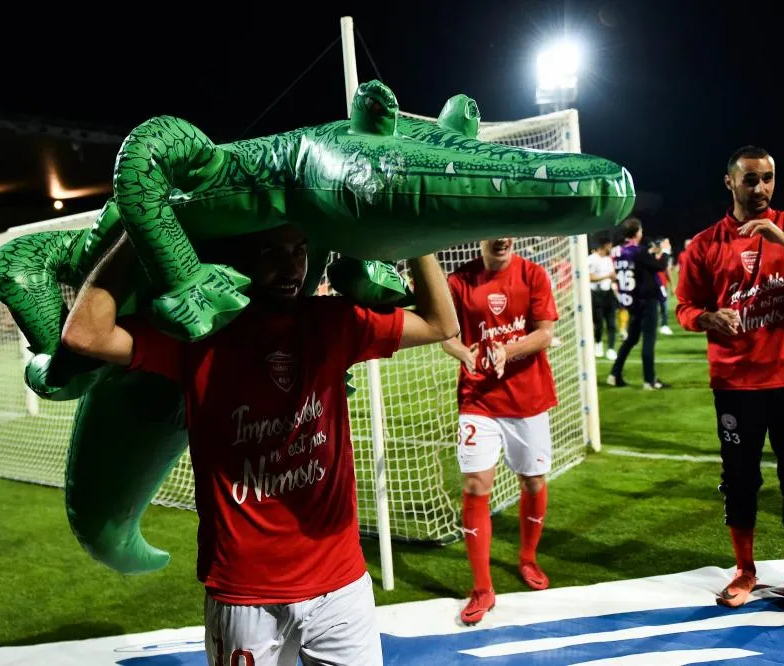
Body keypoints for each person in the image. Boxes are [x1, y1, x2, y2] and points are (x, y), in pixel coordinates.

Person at [61, 224, 459, 665]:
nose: (291, 267)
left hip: (339, 586)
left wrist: (416, 235)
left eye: (300, 250)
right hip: (244, 591)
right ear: (241, 258)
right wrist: (136, 228)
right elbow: (85, 336)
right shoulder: (199, 336)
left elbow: (442, 323)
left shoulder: (332, 322)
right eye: (272, 251)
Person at [676, 145, 784, 620]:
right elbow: (684, 308)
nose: (760, 189)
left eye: (767, 178)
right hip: (735, 383)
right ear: (729, 182)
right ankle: (745, 570)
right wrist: (708, 317)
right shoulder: (705, 244)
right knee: (741, 482)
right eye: (750, 180)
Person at [440, 237, 558, 626]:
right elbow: (444, 331)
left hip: (529, 398)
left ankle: (527, 559)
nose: (503, 237)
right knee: (475, 485)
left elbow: (544, 334)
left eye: (509, 230)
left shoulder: (533, 274)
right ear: (481, 235)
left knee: (534, 482)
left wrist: (508, 350)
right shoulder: (459, 281)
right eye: (495, 230)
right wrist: (464, 353)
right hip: (479, 399)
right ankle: (482, 588)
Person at [607, 219, 671, 389]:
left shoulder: (617, 251)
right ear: (637, 233)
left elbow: (637, 265)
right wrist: (665, 251)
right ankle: (649, 380)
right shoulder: (639, 252)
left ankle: (614, 374)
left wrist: (648, 253)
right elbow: (659, 266)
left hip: (630, 299)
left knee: (631, 339)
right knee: (648, 340)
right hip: (645, 300)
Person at [588, 235, 618, 361]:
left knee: (612, 322)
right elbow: (589, 277)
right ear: (605, 245)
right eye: (610, 245)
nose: (611, 247)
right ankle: (598, 344)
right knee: (598, 322)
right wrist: (606, 276)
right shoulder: (591, 259)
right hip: (596, 294)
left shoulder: (608, 259)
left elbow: (611, 276)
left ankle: (611, 348)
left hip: (608, 293)